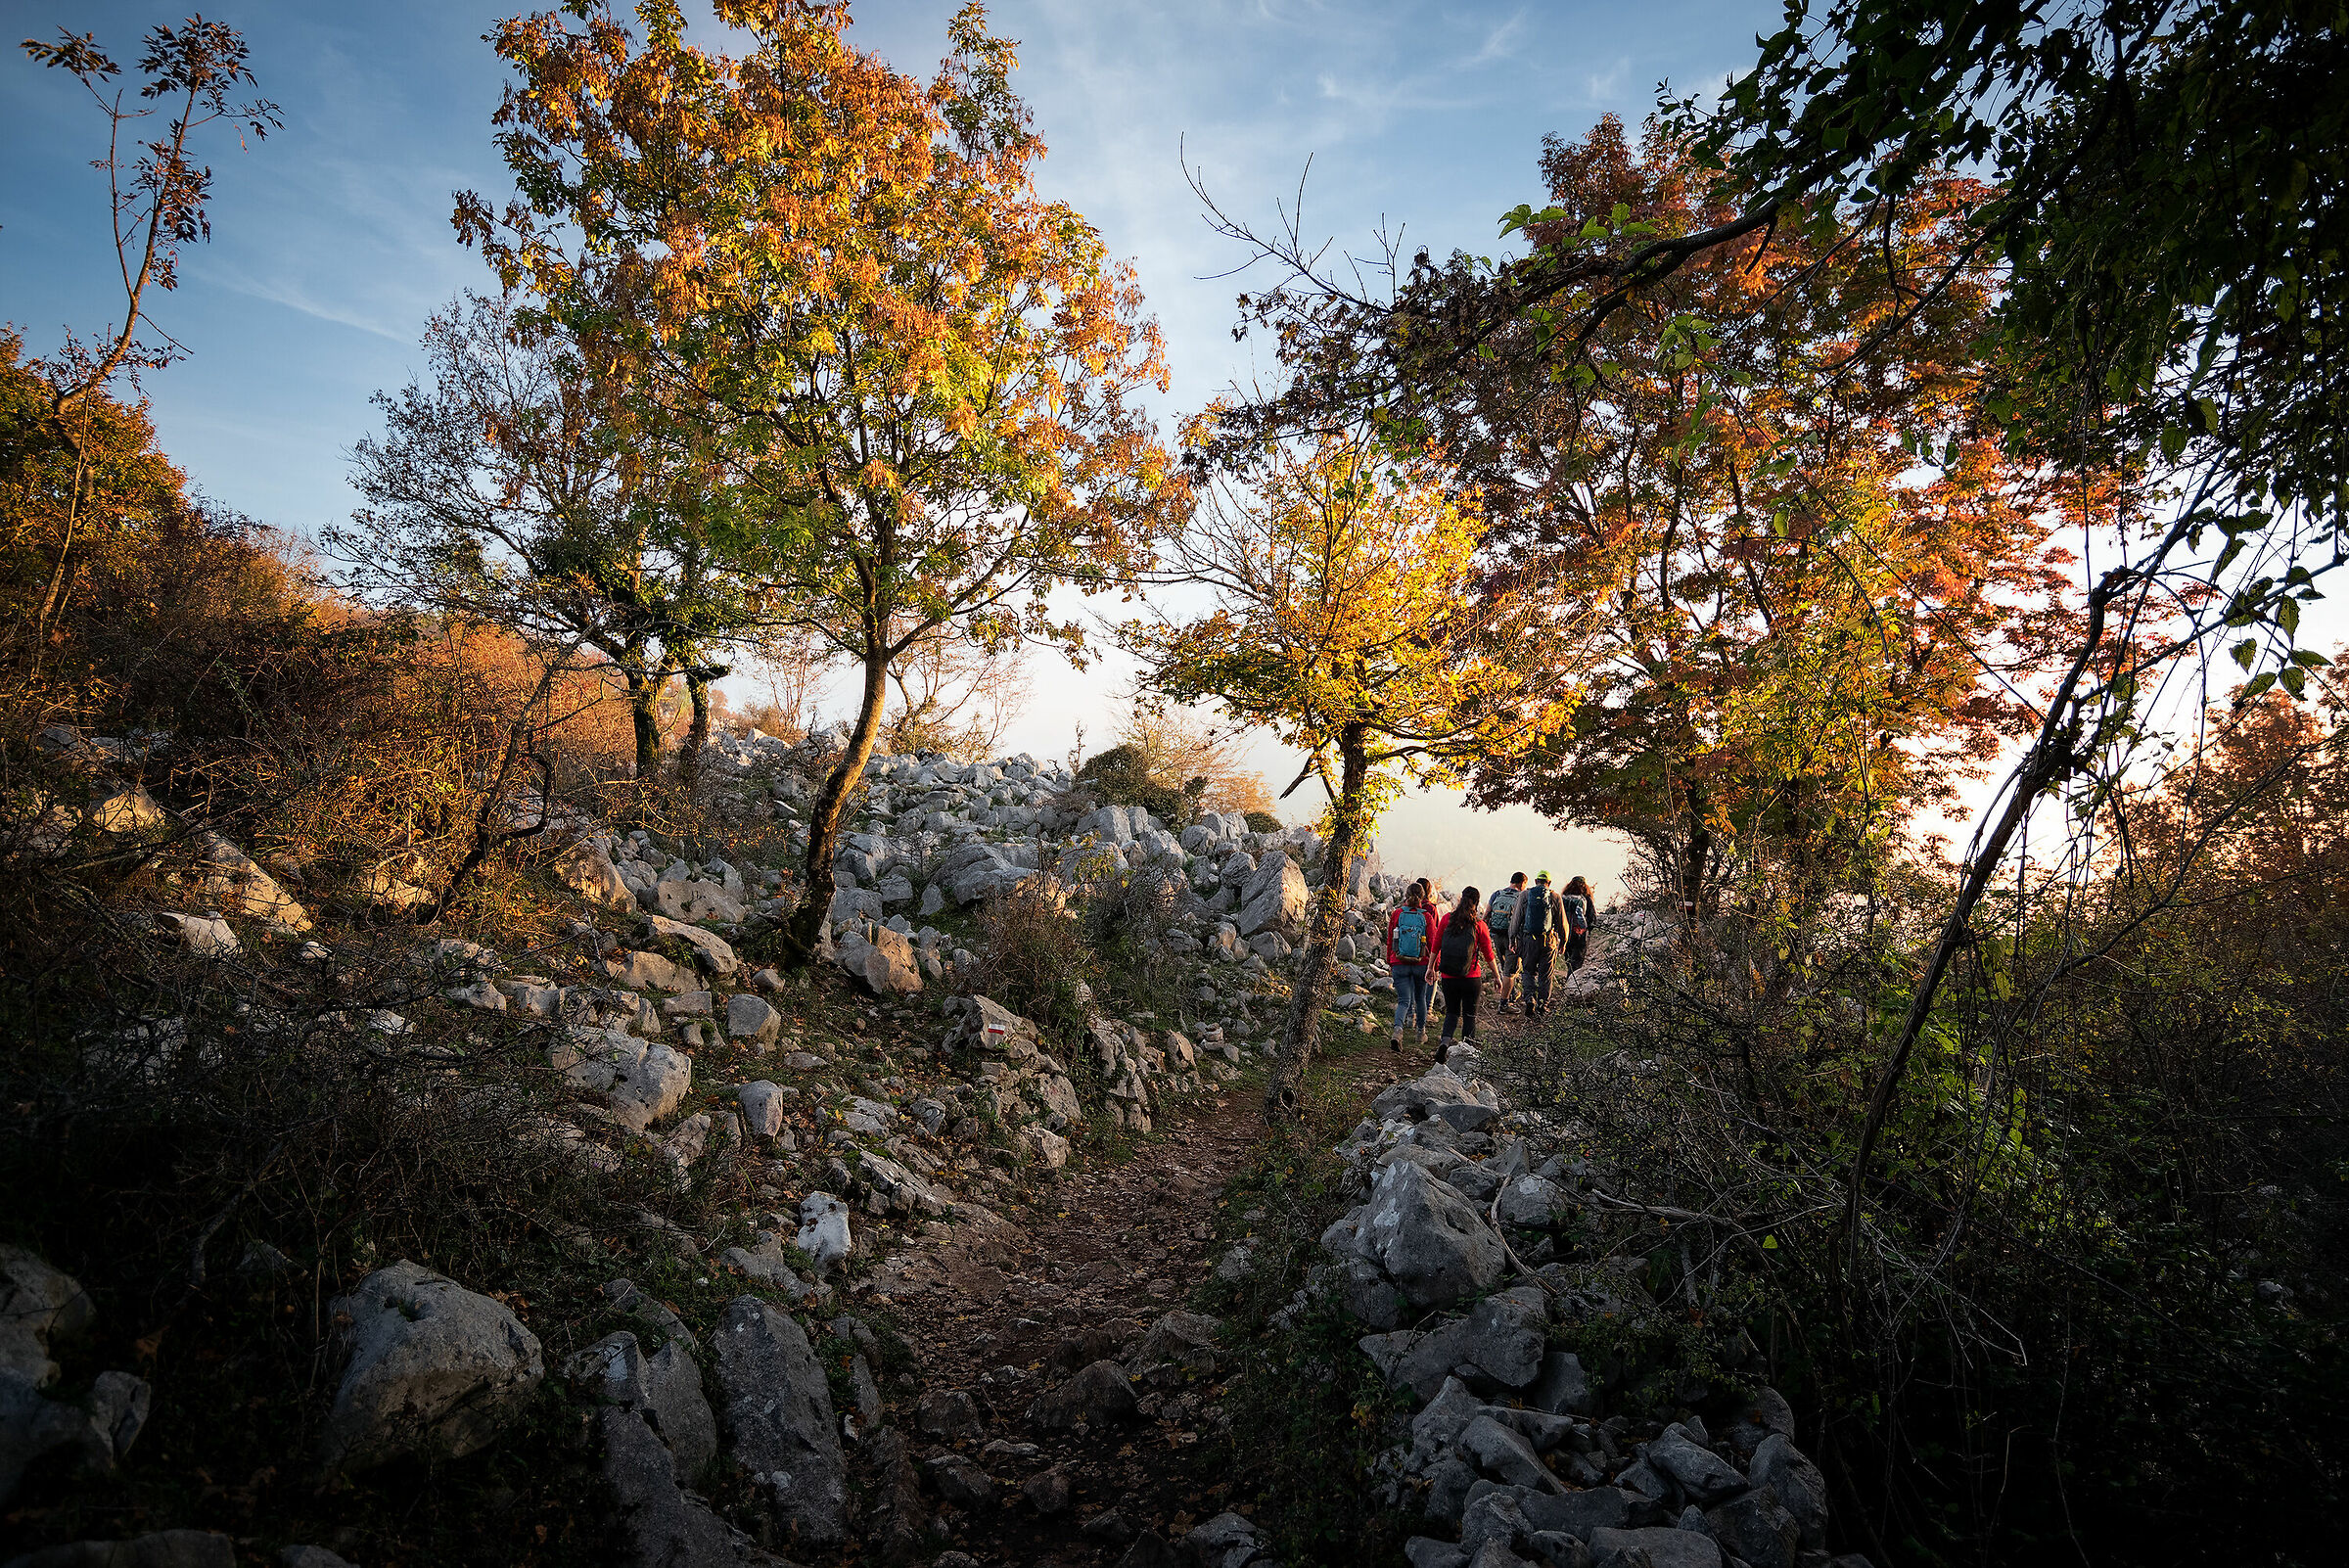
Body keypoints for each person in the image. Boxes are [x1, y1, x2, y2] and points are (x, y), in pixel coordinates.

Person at [1429, 886, 1498, 1059]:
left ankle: (1444, 1043)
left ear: (1461, 899)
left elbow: (1436, 945)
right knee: (1469, 1015)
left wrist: (1430, 968)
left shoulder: (1447, 919)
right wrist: (1497, 976)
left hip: (1449, 977)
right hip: (1471, 978)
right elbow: (1489, 954)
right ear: (1476, 902)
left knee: (1452, 1013)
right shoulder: (1479, 925)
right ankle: (1466, 1052)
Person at [1509, 871, 1569, 1018]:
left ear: (1536, 881)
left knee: (1528, 971)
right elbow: (1562, 922)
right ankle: (1543, 1005)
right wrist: (1564, 941)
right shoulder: (1555, 896)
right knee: (1546, 974)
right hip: (1549, 941)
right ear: (1549, 882)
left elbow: (1516, 919)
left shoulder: (1524, 895)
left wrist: (1512, 939)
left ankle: (1530, 999)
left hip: (1528, 940)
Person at [1384, 881, 1436, 1050]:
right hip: (1421, 963)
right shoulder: (1427, 916)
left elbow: (1390, 940)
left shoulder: (1397, 914)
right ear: (1423, 897)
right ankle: (1420, 1033)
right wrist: (1434, 966)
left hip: (1399, 962)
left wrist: (1390, 960)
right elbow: (1434, 943)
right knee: (1420, 998)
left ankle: (1398, 1031)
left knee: (1403, 1001)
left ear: (1406, 896)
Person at [1487, 872, 1527, 1006]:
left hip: (1497, 935)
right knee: (1511, 970)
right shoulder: (1522, 896)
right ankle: (1506, 1001)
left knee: (1505, 966)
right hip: (1513, 938)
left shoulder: (1497, 894)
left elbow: (1487, 914)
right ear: (1522, 883)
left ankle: (1511, 994)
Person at [1561, 874, 1598, 977]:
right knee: (1577, 962)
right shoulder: (1586, 899)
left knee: (1569, 960)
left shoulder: (1564, 898)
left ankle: (1570, 979)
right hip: (1580, 935)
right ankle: (1572, 984)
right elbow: (1592, 919)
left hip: (1566, 933)